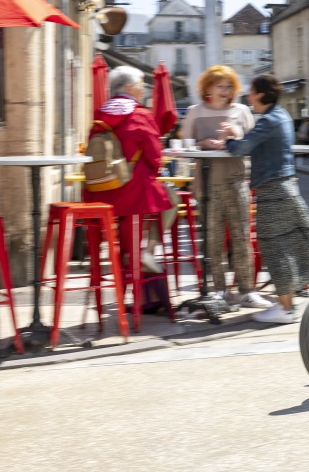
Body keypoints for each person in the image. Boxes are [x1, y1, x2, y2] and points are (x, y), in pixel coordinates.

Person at [222, 74, 309, 324]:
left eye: (251, 92)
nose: (248, 96)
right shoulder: (282, 116)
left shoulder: (268, 120)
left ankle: (286, 308)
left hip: (273, 192)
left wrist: (230, 138)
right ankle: (286, 304)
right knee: (286, 246)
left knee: (275, 248)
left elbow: (241, 148)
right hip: (285, 188)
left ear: (263, 94)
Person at [179, 65, 269, 310]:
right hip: (207, 184)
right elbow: (183, 146)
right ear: (208, 87)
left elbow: (254, 143)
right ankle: (219, 290)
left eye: (229, 86)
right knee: (213, 239)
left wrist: (236, 134)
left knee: (241, 237)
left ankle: (247, 290)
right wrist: (202, 144)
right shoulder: (194, 112)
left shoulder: (241, 110)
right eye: (220, 86)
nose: (225, 90)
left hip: (237, 180)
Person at [89, 66, 172, 313]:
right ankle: (146, 252)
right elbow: (155, 155)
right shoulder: (140, 114)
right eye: (141, 83)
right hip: (134, 193)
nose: (144, 88)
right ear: (128, 88)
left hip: (101, 193)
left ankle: (133, 262)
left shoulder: (100, 113)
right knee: (172, 200)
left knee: (129, 231)